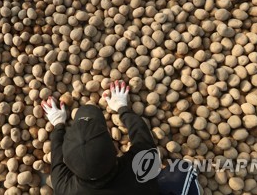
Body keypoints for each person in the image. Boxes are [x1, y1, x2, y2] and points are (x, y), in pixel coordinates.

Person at [41, 80, 201, 195]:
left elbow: (56, 156)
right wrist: (122, 107)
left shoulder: (64, 188)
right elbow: (141, 135)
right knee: (182, 170)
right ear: (115, 148)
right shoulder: (139, 169)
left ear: (68, 162)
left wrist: (58, 123)